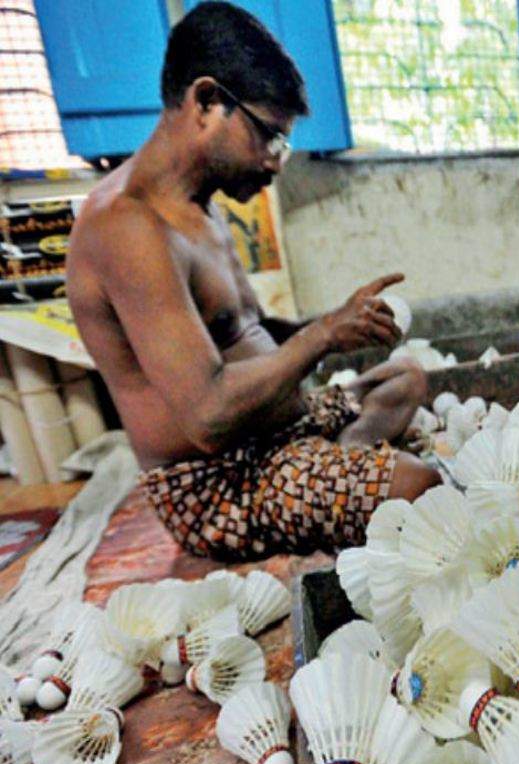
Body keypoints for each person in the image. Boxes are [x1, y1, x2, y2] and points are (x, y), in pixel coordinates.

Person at [67, 3, 439, 561]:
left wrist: (339, 323)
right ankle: (327, 474)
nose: (276, 162)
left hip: (276, 431)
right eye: (269, 135)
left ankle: (327, 466)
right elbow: (208, 418)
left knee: (407, 376)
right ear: (207, 101)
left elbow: (245, 330)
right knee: (420, 487)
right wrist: (322, 337)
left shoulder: (200, 206)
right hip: (219, 479)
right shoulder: (129, 227)